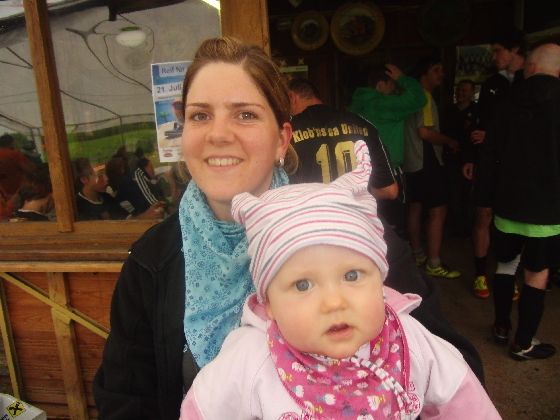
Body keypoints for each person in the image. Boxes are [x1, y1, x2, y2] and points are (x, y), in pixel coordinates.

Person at [93, 37, 483, 418]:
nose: (218, 133)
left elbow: (453, 372)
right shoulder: (152, 261)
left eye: (245, 114)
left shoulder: (351, 236)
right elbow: (125, 399)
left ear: (282, 139)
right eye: (200, 115)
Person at [180, 142, 499, 419]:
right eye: (303, 285)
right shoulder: (251, 359)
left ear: (381, 283)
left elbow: (465, 402)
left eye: (352, 275)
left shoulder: (408, 340)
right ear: (269, 304)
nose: (334, 302)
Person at [476, 43, 560, 360]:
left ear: (531, 68)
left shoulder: (508, 100)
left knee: (505, 264)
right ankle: (523, 343)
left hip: (507, 203)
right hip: (548, 210)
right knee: (537, 275)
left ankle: (501, 326)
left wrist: (484, 197)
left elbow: (489, 153)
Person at [462, 31, 526, 299]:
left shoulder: (530, 82)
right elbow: (478, 124)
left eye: (498, 50)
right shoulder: (491, 84)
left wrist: (493, 136)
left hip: (519, 165)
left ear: (515, 50)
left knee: (512, 220)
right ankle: (480, 274)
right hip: (488, 161)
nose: (494, 56)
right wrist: (470, 157)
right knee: (483, 215)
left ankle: (508, 275)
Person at [287, 78, 398, 201]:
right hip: (354, 211)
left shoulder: (287, 133)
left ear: (292, 97)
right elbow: (389, 191)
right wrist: (355, 191)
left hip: (311, 211)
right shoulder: (363, 125)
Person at [349, 63, 426, 236]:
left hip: (360, 171)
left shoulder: (356, 104)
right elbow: (419, 98)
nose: (394, 90)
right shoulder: (383, 104)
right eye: (392, 85)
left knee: (368, 222)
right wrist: (402, 78)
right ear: (380, 85)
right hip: (387, 170)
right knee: (392, 225)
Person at [403, 57, 461, 278]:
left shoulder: (407, 96)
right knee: (438, 210)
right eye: (436, 70)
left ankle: (417, 254)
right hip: (427, 158)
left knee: (415, 207)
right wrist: (450, 141)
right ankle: (434, 262)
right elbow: (425, 132)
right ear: (424, 73)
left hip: (411, 161)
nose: (441, 75)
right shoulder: (424, 97)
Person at [442, 79, 479, 241]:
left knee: (468, 195)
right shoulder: (449, 111)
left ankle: (467, 229)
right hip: (451, 158)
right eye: (459, 90)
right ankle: (456, 228)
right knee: (453, 194)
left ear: (472, 92)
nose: (461, 93)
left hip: (470, 160)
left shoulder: (477, 111)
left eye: (465, 90)